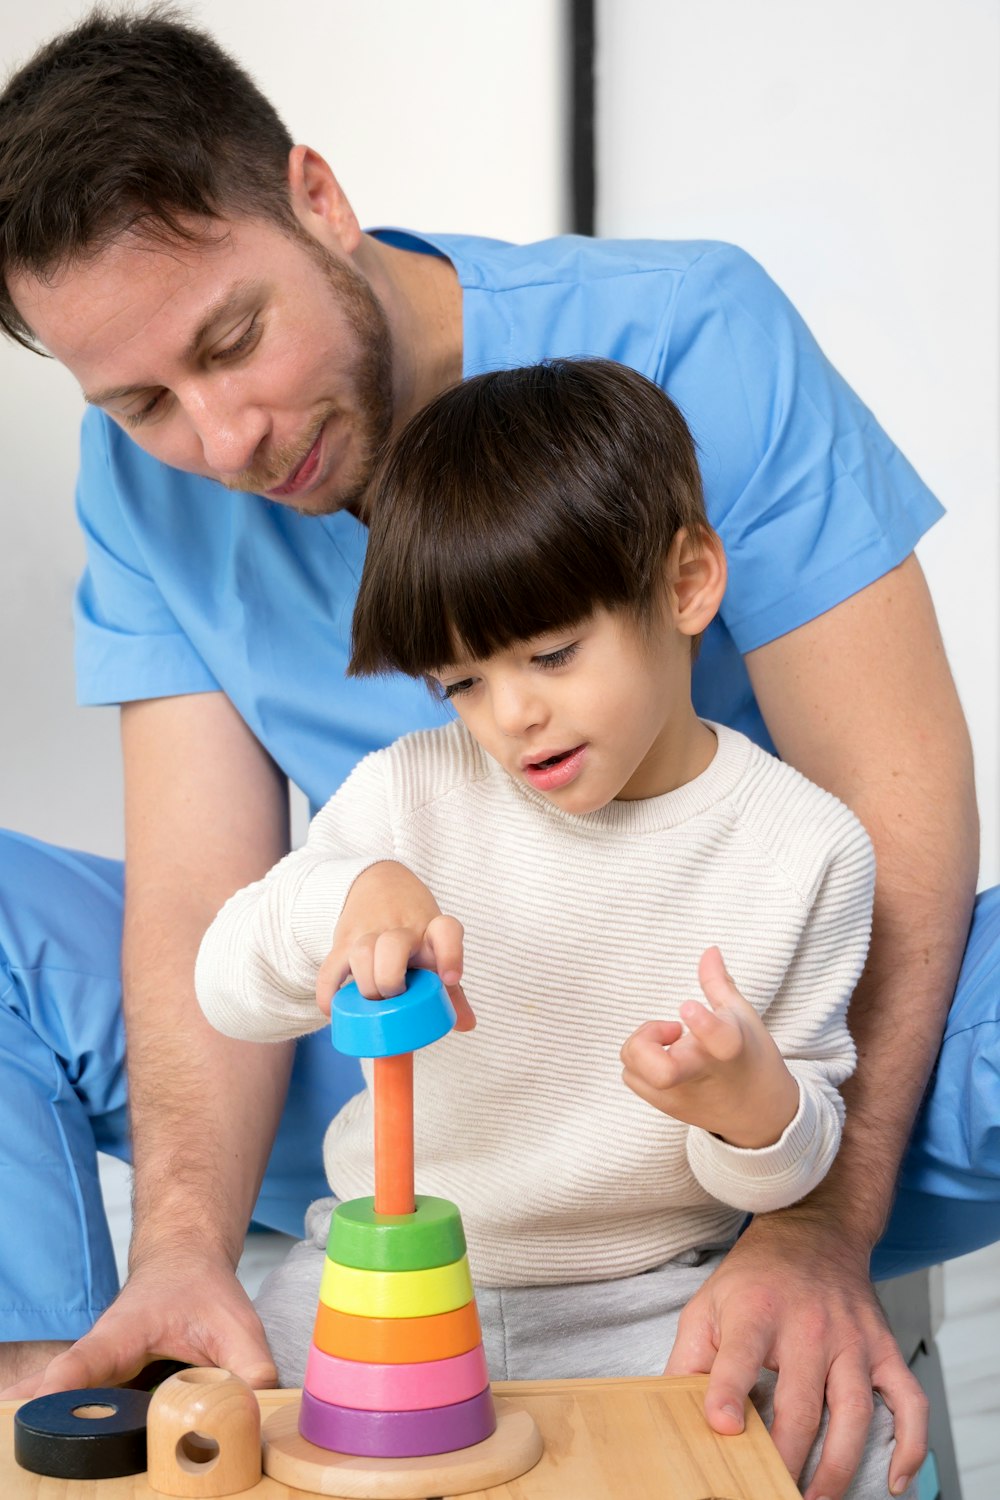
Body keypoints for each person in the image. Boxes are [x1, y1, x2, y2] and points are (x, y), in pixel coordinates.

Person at [0, 10, 994, 1499]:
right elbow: (201, 896)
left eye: (230, 341)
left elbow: (898, 800)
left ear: (319, 200)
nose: (221, 439)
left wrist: (815, 1228)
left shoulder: (695, 328)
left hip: (733, 1059)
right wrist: (185, 1246)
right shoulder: (152, 494)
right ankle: (70, 1387)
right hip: (389, 1054)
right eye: (141, 403)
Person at [194, 357, 907, 1499]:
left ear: (685, 584)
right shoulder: (408, 798)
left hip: (649, 1304)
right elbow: (227, 982)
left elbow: (801, 1155)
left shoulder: (807, 848)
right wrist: (347, 896)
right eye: (463, 683)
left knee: (837, 1455)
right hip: (374, 1281)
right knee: (213, 1438)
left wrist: (750, 1109)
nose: (512, 716)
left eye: (552, 656)